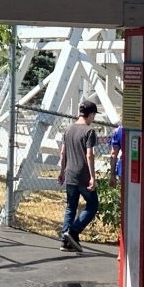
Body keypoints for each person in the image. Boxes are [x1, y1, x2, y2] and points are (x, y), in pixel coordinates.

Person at [58, 100, 102, 252]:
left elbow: (62, 152)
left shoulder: (68, 129)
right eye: (94, 116)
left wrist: (62, 171)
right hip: (83, 174)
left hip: (70, 173)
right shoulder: (89, 131)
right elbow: (89, 154)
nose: (93, 119)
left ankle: (65, 240)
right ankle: (74, 231)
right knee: (93, 205)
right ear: (90, 114)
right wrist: (93, 177)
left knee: (71, 207)